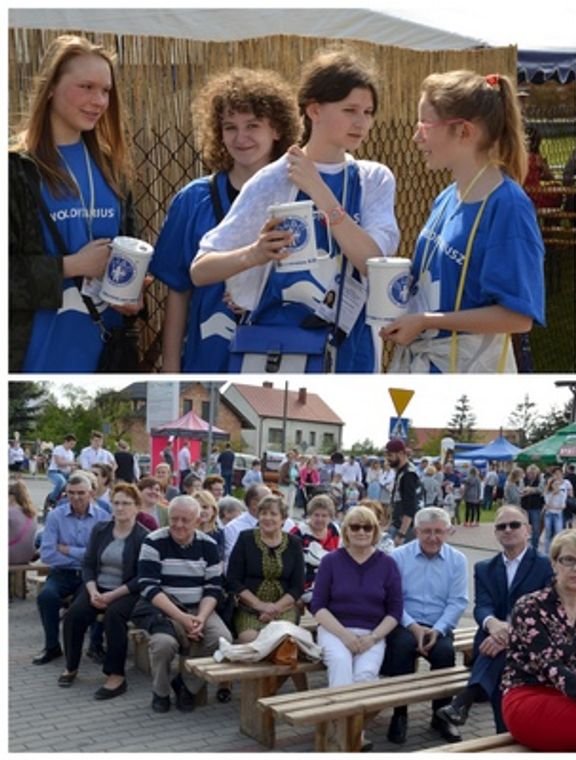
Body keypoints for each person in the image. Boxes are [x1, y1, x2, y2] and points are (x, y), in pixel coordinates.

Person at [191, 49, 399, 373]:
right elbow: (200, 269)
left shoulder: (373, 179)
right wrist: (255, 254)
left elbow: (372, 262)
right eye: (350, 110)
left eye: (369, 112)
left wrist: (319, 190)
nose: (361, 122)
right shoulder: (272, 180)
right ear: (314, 109)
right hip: (281, 354)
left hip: (353, 351)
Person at [384, 70, 545, 373]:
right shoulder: (448, 196)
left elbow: (518, 318)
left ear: (464, 132)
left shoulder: (508, 206)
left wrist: (427, 322)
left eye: (425, 125)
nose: (416, 136)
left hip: (469, 371)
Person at [9, 34, 142, 373]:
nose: (98, 101)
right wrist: (72, 266)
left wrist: (133, 295)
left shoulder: (114, 170)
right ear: (50, 87)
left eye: (106, 91)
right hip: (32, 359)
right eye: (86, 87)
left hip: (103, 356)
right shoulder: (16, 170)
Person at [152, 68, 299, 373]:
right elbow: (178, 291)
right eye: (230, 127)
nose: (241, 137)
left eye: (253, 125)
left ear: (277, 130)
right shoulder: (194, 200)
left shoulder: (299, 197)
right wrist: (170, 367)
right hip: (208, 351)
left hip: (276, 353)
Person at [436, 505, 553, 734]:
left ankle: (465, 700)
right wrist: (493, 624)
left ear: (528, 529)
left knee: (502, 659)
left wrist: (512, 633)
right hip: (492, 642)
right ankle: (502, 735)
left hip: (531, 644)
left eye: (514, 525)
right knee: (500, 661)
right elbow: (482, 606)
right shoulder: (484, 568)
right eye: (501, 526)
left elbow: (546, 611)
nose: (508, 530)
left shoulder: (545, 566)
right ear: (496, 533)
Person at [309, 505, 401, 751]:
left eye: (367, 527)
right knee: (340, 667)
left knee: (365, 677)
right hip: (335, 630)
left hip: (373, 633)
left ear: (375, 531)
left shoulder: (387, 564)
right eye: (355, 526)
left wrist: (373, 638)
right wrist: (345, 636)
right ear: (346, 531)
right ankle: (348, 737)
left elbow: (394, 611)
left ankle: (349, 731)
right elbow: (317, 606)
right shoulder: (331, 561)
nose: (361, 531)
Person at [132, 496, 229, 713]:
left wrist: (201, 618)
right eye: (174, 519)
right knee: (163, 645)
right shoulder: (153, 541)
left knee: (221, 639)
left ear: (197, 520)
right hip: (164, 610)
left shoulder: (209, 545)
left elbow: (213, 587)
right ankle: (161, 691)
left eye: (185, 520)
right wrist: (182, 618)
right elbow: (148, 587)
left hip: (199, 608)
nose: (178, 525)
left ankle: (186, 685)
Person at [382, 507, 469, 744]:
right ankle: (399, 714)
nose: (433, 537)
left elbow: (458, 601)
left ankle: (441, 715)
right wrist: (412, 626)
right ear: (417, 531)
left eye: (439, 532)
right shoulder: (398, 556)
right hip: (404, 622)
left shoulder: (457, 560)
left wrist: (438, 629)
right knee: (401, 649)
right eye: (427, 531)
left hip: (438, 624)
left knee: (445, 654)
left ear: (449, 532)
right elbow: (393, 599)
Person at [58, 483, 148, 700]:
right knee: (74, 614)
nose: (120, 508)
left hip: (127, 591)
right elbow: (88, 564)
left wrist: (112, 595)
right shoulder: (100, 529)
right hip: (97, 587)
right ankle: (71, 665)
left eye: (126, 503)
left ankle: (116, 675)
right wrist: (92, 591)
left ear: (137, 507)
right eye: (116, 502)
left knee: (114, 617)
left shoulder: (144, 537)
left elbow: (142, 577)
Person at [500, 528, 576, 751]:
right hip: (531, 696)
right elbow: (550, 666)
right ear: (554, 564)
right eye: (569, 560)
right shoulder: (530, 606)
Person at [33, 473, 110, 665]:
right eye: (71, 493)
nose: (76, 497)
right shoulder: (55, 516)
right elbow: (48, 553)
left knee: (87, 603)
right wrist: (84, 556)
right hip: (61, 574)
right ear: (65, 493)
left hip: (90, 576)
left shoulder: (103, 517)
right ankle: (52, 647)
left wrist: (68, 550)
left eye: (81, 493)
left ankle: (95, 646)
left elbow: (102, 554)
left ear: (91, 493)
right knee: (46, 597)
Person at [225, 495, 304, 642]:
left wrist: (274, 609)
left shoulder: (294, 543)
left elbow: (297, 586)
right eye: (263, 513)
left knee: (282, 640)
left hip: (283, 608)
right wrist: (260, 606)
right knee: (250, 639)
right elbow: (233, 580)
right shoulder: (245, 539)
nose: (267, 518)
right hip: (249, 608)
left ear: (283, 519)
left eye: (273, 514)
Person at [291, 494, 340, 605]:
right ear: (309, 515)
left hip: (330, 582)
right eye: (316, 515)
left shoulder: (334, 530)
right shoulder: (299, 532)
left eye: (324, 516)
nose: (320, 519)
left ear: (330, 517)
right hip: (306, 584)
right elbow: (290, 563)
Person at [387, 439, 420, 546]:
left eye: (390, 455)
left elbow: (410, 506)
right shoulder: (401, 471)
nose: (388, 459)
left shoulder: (408, 475)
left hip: (406, 528)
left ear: (401, 453)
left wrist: (401, 534)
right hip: (398, 523)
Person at [9, 481, 38, 565]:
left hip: (11, 557)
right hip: (27, 556)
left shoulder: (9, 512)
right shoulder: (32, 513)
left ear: (12, 496)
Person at [46, 434, 77, 509]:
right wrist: (71, 463)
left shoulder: (71, 453)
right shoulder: (58, 449)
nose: (72, 446)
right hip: (55, 472)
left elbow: (71, 466)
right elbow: (59, 463)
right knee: (61, 482)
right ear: (66, 442)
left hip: (66, 474)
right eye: (71, 444)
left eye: (73, 444)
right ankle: (51, 500)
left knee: (75, 484)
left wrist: (75, 468)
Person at [541, 470, 568, 555]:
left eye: (558, 485)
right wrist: (553, 495)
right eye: (555, 484)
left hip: (557, 514)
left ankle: (557, 552)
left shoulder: (562, 494)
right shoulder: (548, 493)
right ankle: (546, 553)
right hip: (549, 514)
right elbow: (547, 503)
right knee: (548, 534)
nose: (557, 486)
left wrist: (553, 506)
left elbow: (563, 506)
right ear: (551, 485)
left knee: (558, 533)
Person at [193, 489, 225, 557]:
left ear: (213, 510)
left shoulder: (219, 533)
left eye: (205, 507)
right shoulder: (187, 533)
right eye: (197, 508)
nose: (201, 511)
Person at [519, 464, 544, 552]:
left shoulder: (540, 479)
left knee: (536, 529)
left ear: (536, 473)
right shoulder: (523, 480)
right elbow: (521, 490)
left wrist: (530, 490)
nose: (531, 475)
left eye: (533, 473)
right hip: (524, 507)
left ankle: (534, 549)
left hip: (536, 507)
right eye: (530, 473)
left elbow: (541, 489)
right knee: (523, 528)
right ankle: (523, 548)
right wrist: (528, 491)